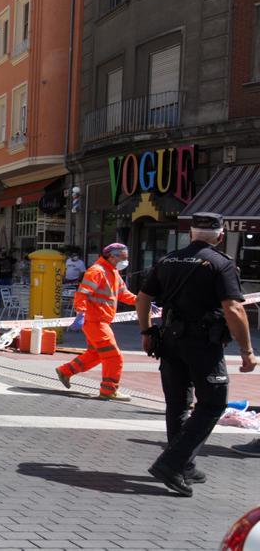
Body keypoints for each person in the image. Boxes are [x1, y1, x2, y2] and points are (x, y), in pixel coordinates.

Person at [135, 212, 257, 496]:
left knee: (178, 404)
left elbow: (143, 297)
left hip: (169, 340)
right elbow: (234, 308)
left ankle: (184, 465)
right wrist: (247, 350)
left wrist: (146, 331)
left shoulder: (168, 260)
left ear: (190, 234)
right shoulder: (220, 264)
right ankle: (171, 463)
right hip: (203, 344)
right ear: (220, 236)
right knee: (213, 404)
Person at [55, 243, 136, 400]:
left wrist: (141, 301)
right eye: (123, 257)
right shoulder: (97, 271)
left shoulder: (112, 272)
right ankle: (109, 390)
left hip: (99, 322)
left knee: (97, 354)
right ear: (111, 256)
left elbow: (124, 294)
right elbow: (82, 293)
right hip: (96, 322)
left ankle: (65, 371)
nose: (125, 261)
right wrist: (81, 313)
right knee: (114, 356)